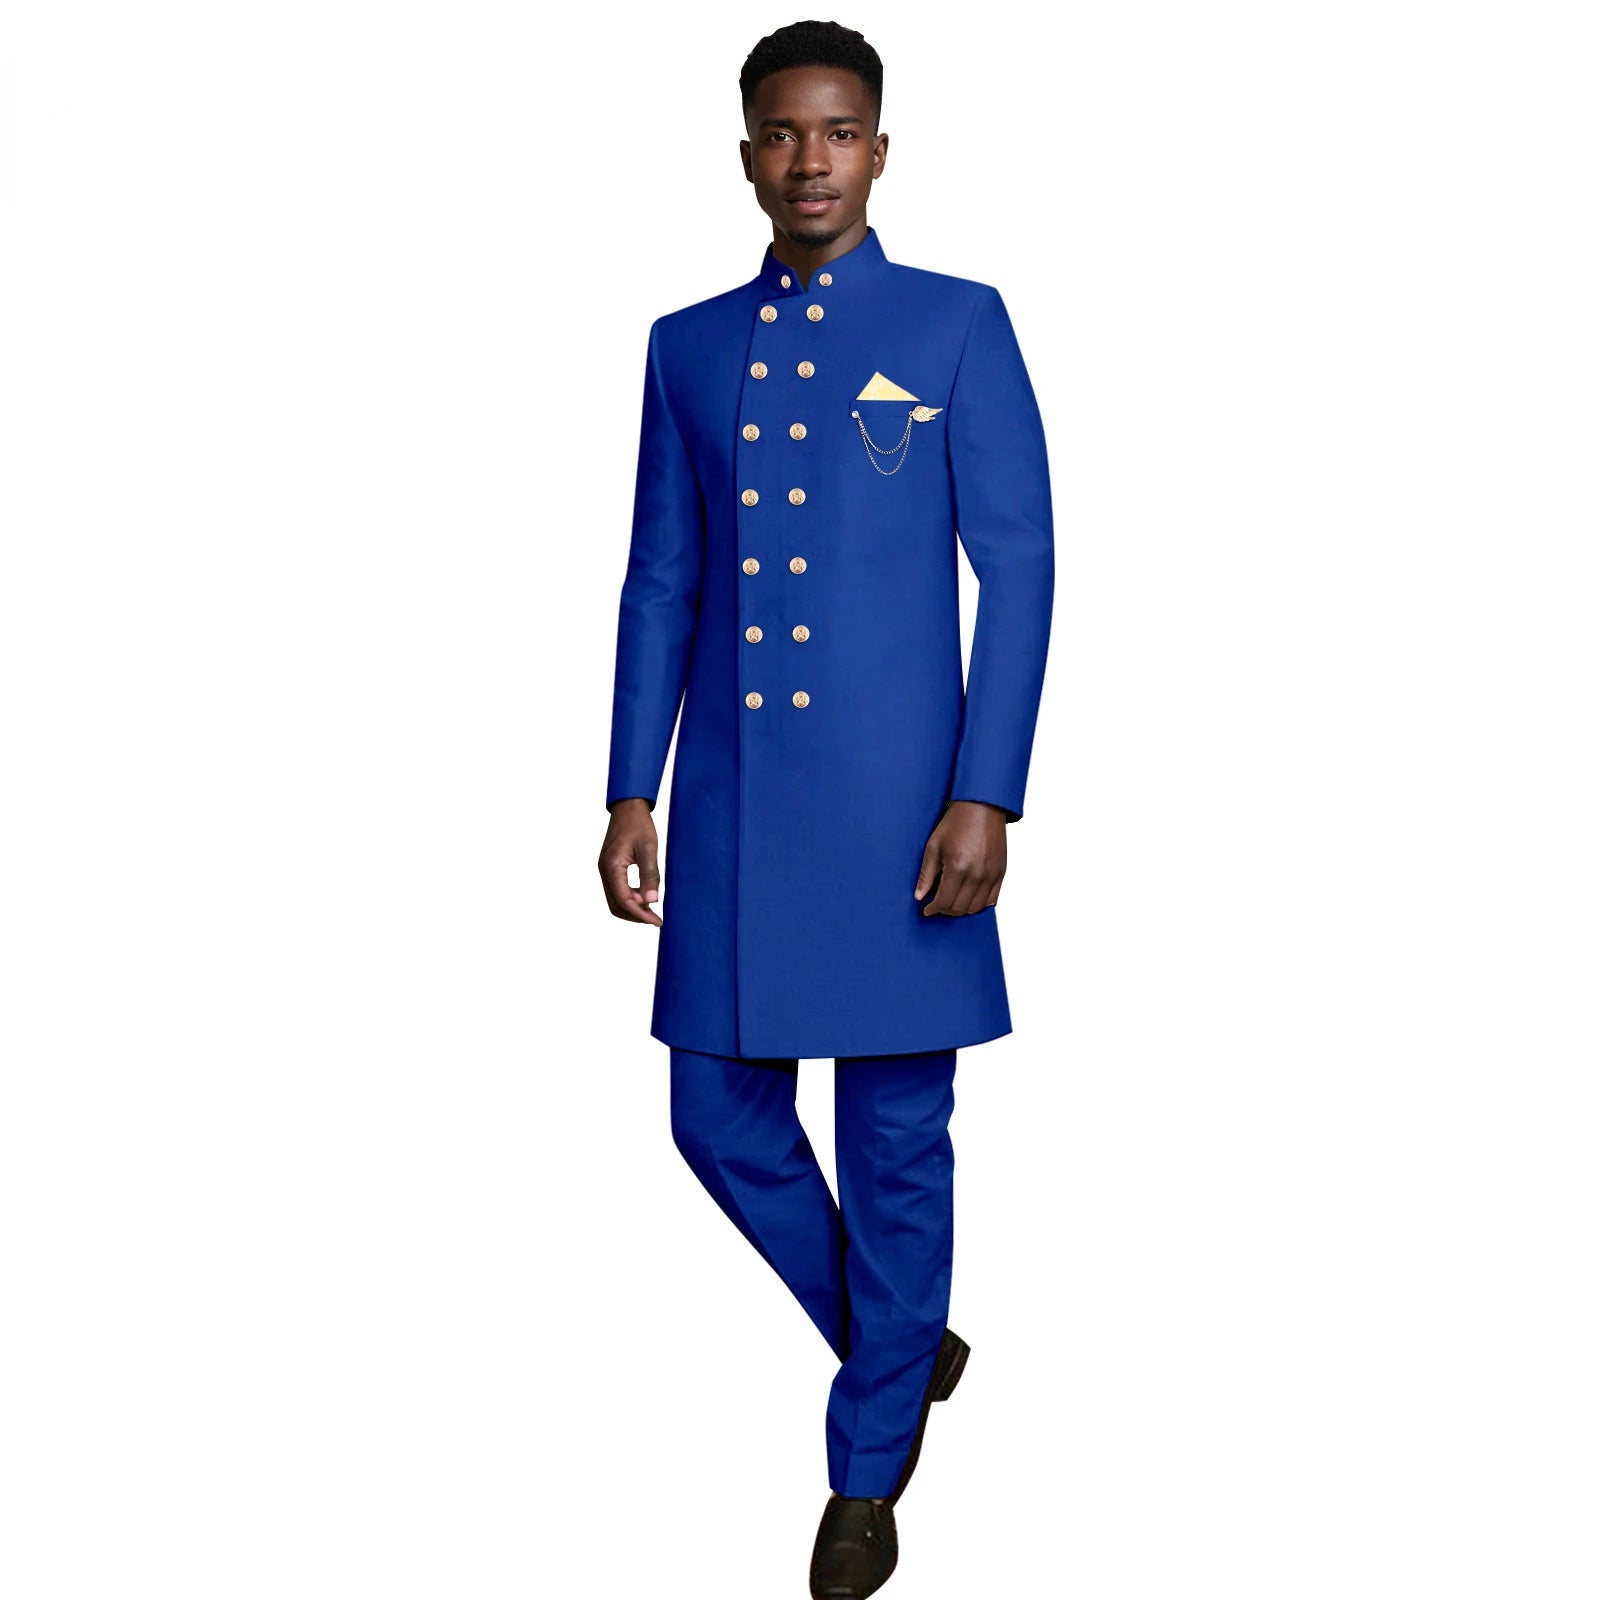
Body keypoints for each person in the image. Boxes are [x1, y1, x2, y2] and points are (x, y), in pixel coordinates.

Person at [598, 20, 1054, 1598]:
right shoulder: (684, 345)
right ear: (746, 155)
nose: (812, 160)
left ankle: (866, 1471)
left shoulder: (955, 326)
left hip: (901, 813)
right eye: (784, 133)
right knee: (711, 1113)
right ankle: (899, 1334)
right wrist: (628, 785)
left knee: (896, 1140)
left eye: (839, 131)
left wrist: (988, 792)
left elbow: (1023, 568)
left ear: (879, 151)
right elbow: (662, 579)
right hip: (731, 811)